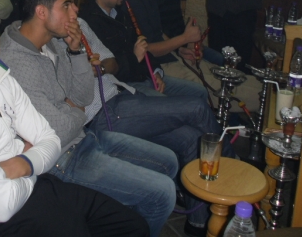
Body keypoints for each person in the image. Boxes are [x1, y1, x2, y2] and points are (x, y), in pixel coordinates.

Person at [0, 0, 149, 237]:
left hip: (35, 187)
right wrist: (31, 160)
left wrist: (22, 163)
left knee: (132, 226)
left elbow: (51, 139)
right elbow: (2, 206)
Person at [0, 0, 179, 237]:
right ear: (41, 12)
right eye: (67, 5)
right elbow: (56, 132)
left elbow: (83, 96)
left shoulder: (50, 42)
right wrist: (76, 111)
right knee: (163, 193)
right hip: (62, 159)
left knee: (168, 161)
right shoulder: (15, 63)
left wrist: (75, 52)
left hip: (84, 137)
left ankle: (124, 217)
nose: (75, 11)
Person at [76, 17, 235, 237]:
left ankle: (198, 223)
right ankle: (233, 175)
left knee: (191, 139)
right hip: (103, 113)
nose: (74, 10)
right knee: (197, 107)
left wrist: (101, 67)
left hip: (124, 95)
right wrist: (78, 58)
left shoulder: (81, 23)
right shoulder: (53, 43)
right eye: (66, 6)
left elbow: (112, 62)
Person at [124, 0, 264, 112]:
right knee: (221, 86)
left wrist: (180, 49)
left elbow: (158, 33)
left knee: (225, 74)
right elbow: (147, 50)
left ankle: (269, 89)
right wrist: (185, 38)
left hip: (171, 57)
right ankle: (269, 99)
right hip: (159, 67)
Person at [79, 0, 208, 99]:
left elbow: (142, 46)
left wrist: (155, 71)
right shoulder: (89, 23)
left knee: (200, 92)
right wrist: (135, 57)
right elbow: (112, 68)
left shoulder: (120, 13)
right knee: (164, 103)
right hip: (124, 85)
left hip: (144, 75)